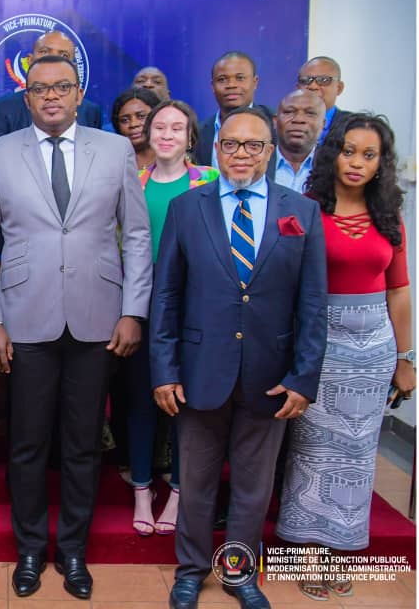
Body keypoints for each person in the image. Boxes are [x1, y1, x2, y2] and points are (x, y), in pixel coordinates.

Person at [0, 55, 152, 600]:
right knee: (26, 442)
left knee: (81, 443)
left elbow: (137, 236)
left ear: (78, 94)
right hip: (23, 319)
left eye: (62, 88)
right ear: (26, 99)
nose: (51, 97)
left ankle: (72, 550)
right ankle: (30, 548)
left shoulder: (115, 149)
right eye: (40, 89)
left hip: (99, 317)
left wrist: (133, 310)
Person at [151, 106, 327, 609]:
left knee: (253, 487)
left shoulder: (302, 211)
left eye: (253, 145)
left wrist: (303, 378)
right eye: (231, 144)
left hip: (271, 378)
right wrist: (164, 370)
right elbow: (166, 295)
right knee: (197, 483)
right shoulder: (189, 208)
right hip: (201, 372)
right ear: (215, 150)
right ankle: (190, 571)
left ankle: (240, 574)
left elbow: (313, 304)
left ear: (269, 153)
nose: (242, 154)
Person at [276, 114, 414, 602]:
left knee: (356, 455)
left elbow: (399, 290)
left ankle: (340, 549)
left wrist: (406, 357)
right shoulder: (305, 208)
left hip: (372, 347)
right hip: (320, 343)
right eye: (349, 151)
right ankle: (308, 552)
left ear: (381, 164)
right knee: (312, 451)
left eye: (369, 155)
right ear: (333, 154)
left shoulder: (389, 215)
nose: (356, 162)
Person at [124, 102, 218, 537]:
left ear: (190, 137)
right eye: (158, 126)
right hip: (143, 310)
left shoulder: (211, 181)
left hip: (196, 313)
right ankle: (142, 489)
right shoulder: (133, 183)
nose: (166, 134)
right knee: (142, 404)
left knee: (188, 407)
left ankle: (179, 492)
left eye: (176, 128)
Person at [0, 31, 103, 145]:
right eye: (44, 52)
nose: (53, 59)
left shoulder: (90, 111)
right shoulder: (3, 108)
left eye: (64, 55)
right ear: (30, 60)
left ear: (74, 66)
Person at [196, 52, 273, 168]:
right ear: (212, 86)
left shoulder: (274, 125)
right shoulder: (198, 133)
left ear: (255, 82)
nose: (231, 85)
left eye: (240, 78)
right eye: (222, 80)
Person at [269, 90, 326, 192]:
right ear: (275, 121)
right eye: (289, 112)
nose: (299, 119)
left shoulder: (333, 167)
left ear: (323, 124)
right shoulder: (257, 162)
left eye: (310, 113)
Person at [296, 56, 349, 144]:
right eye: (305, 80)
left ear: (339, 88)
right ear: (298, 88)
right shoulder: (282, 123)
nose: (313, 86)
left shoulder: (355, 125)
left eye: (323, 80)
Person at [111, 88, 161, 170]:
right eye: (125, 120)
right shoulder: (110, 165)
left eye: (141, 116)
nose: (133, 124)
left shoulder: (177, 160)